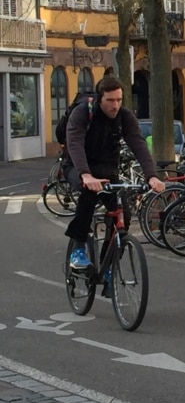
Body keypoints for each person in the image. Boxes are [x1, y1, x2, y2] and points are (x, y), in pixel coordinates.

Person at [64, 76, 165, 272]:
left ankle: (108, 266)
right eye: (110, 100)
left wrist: (151, 175)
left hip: (107, 170)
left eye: (119, 100)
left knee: (123, 216)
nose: (115, 105)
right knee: (88, 194)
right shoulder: (83, 113)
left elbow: (138, 143)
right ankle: (78, 248)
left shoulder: (124, 116)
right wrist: (85, 175)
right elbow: (74, 143)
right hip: (77, 167)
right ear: (99, 98)